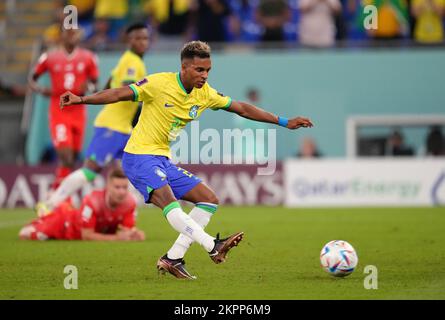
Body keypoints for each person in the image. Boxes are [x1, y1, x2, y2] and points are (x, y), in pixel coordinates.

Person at [59, 41, 314, 280]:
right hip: (138, 157)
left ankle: (173, 258)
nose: (204, 75)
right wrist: (81, 99)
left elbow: (242, 108)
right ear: (184, 67)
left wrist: (284, 121)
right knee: (170, 204)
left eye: (208, 70)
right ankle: (212, 246)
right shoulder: (159, 84)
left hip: (162, 159)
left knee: (209, 200)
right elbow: (119, 93)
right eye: (199, 69)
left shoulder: (205, 94)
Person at [39, 23, 149, 216]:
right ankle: (50, 204)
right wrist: (149, 97)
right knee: (91, 171)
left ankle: (127, 212)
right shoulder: (133, 62)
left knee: (128, 169)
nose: (142, 42)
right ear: (128, 40)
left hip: (122, 127)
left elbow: (108, 84)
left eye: (145, 38)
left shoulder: (126, 60)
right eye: (138, 38)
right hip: (112, 126)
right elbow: (125, 87)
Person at [29, 28, 99, 191]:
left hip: (78, 112)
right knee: (65, 156)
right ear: (62, 35)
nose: (72, 36)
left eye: (75, 33)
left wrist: (87, 86)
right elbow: (32, 79)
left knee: (72, 158)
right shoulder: (49, 57)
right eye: (68, 33)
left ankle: (60, 195)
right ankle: (57, 196)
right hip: (58, 111)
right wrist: (42, 90)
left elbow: (95, 83)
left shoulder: (88, 57)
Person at [19, 168, 145, 241]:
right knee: (28, 234)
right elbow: (87, 235)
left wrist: (135, 233)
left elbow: (125, 231)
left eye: (124, 187)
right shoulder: (93, 201)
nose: (122, 192)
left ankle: (48, 212)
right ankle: (41, 219)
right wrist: (117, 239)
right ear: (108, 186)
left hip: (76, 218)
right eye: (117, 187)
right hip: (64, 225)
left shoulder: (130, 203)